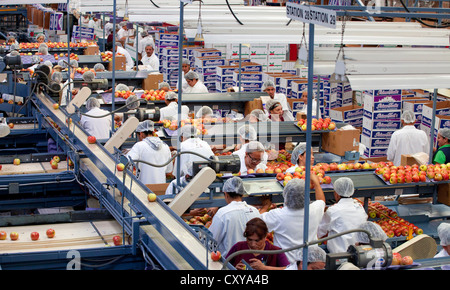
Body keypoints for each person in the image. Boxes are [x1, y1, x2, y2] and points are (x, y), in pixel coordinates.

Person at [260, 177, 326, 263]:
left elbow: (256, 223)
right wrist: (316, 183)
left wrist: (265, 207)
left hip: (285, 263)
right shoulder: (314, 210)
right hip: (309, 262)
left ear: (286, 195)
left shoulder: (278, 215)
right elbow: (321, 201)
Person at [208, 177, 261, 257]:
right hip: (251, 262)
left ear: (226, 194)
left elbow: (211, 242)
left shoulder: (223, 214)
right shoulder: (255, 211)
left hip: (229, 263)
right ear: (243, 194)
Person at [317, 177, 368, 253]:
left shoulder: (333, 211)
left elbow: (319, 231)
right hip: (360, 253)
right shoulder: (360, 208)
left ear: (336, 194)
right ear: (352, 191)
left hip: (340, 255)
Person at [226, 217, 290, 270]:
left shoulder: (275, 252)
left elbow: (288, 269)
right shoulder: (238, 247)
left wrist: (264, 268)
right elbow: (223, 265)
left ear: (265, 236)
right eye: (249, 239)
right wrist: (233, 268)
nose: (253, 244)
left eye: (257, 241)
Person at [126, 120, 173, 184]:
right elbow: (169, 170)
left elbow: (127, 162)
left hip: (143, 187)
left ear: (141, 134)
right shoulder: (165, 146)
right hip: (161, 187)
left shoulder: (139, 146)